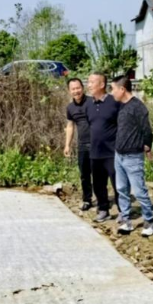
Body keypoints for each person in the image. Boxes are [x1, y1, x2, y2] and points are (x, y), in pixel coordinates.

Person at [110, 75, 153, 237]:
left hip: (133, 157)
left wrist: (147, 147)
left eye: (113, 89)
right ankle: (126, 221)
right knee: (121, 189)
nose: (112, 92)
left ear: (122, 89)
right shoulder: (120, 106)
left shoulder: (138, 106)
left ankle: (149, 222)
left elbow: (147, 130)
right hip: (119, 155)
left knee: (139, 191)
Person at [85, 72, 121, 223]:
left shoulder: (114, 101)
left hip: (112, 151)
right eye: (88, 82)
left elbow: (122, 124)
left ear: (102, 84)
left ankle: (122, 211)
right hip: (95, 151)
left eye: (92, 82)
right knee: (98, 184)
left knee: (118, 183)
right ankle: (103, 209)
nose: (89, 85)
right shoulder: (89, 104)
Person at [64, 78, 93, 211]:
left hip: (97, 144)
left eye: (78, 88)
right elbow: (70, 126)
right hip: (82, 145)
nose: (76, 91)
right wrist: (67, 145)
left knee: (99, 174)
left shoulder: (93, 102)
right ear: (69, 91)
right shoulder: (70, 108)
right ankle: (87, 199)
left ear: (83, 88)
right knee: (84, 174)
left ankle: (103, 201)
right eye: (73, 89)